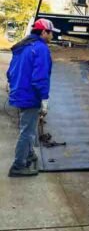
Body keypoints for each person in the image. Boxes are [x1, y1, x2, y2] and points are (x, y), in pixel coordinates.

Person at [6, 18, 59, 177]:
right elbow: (40, 77)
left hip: (19, 92)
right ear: (44, 32)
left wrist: (12, 84)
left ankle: (28, 155)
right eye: (51, 33)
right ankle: (18, 166)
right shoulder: (41, 48)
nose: (52, 36)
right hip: (29, 95)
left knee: (28, 128)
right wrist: (44, 99)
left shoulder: (23, 46)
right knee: (27, 131)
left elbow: (10, 71)